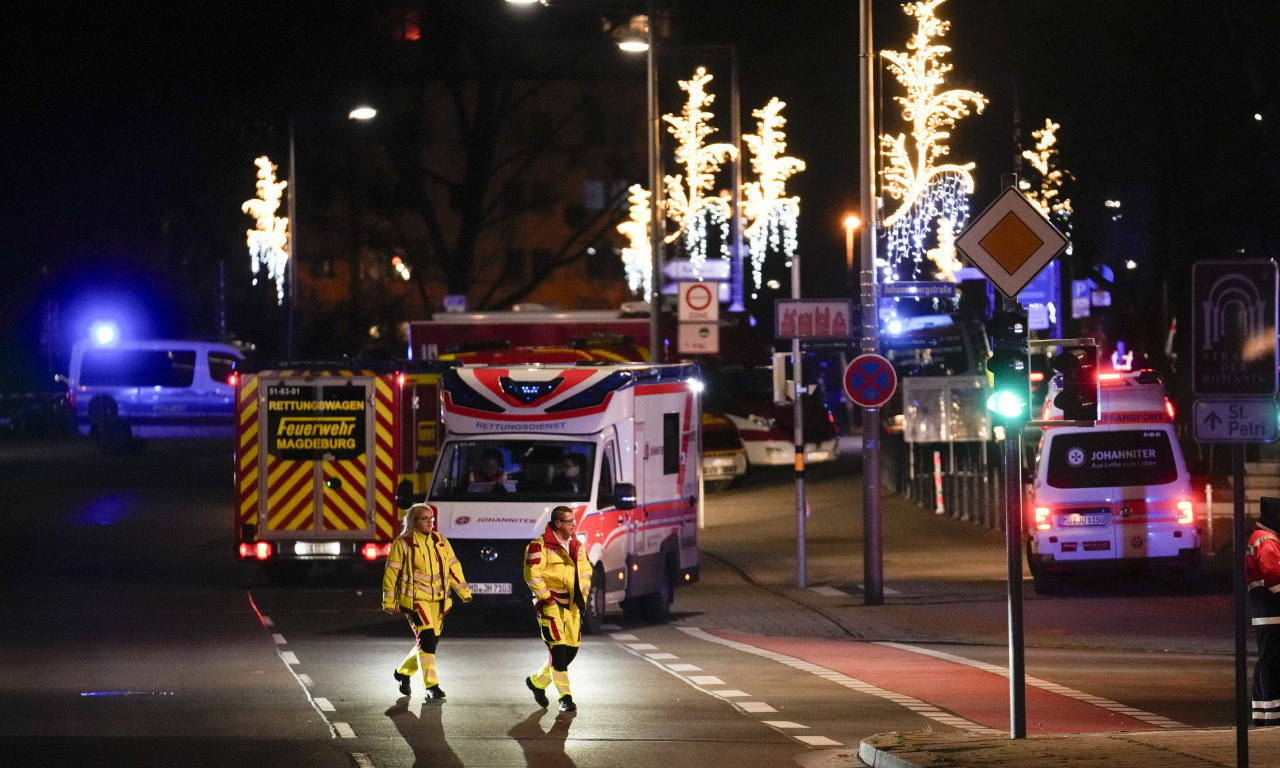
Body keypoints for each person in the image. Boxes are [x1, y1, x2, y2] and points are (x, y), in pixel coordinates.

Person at [382, 503, 472, 700]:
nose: (430, 521)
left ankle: (403, 673)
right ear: (414, 522)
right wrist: (389, 600)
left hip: (438, 600)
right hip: (414, 600)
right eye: (425, 518)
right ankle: (431, 686)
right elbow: (391, 572)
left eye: (431, 518)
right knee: (428, 640)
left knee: (429, 642)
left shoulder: (440, 541)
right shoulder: (403, 543)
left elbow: (453, 567)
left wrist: (462, 590)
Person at [522, 505, 591, 712]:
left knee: (570, 650)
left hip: (572, 606)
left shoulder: (577, 545)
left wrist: (583, 593)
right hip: (550, 606)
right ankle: (565, 697)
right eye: (570, 521)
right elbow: (532, 575)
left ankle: (537, 682)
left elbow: (586, 570)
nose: (574, 525)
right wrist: (547, 599)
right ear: (558, 523)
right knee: (558, 650)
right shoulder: (538, 546)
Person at [1247, 496, 1280, 726]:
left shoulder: (1262, 536)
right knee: (1272, 663)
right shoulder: (1268, 540)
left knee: (1265, 660)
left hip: (1265, 612)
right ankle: (1274, 715)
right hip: (1272, 611)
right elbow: (1273, 574)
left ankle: (1261, 712)